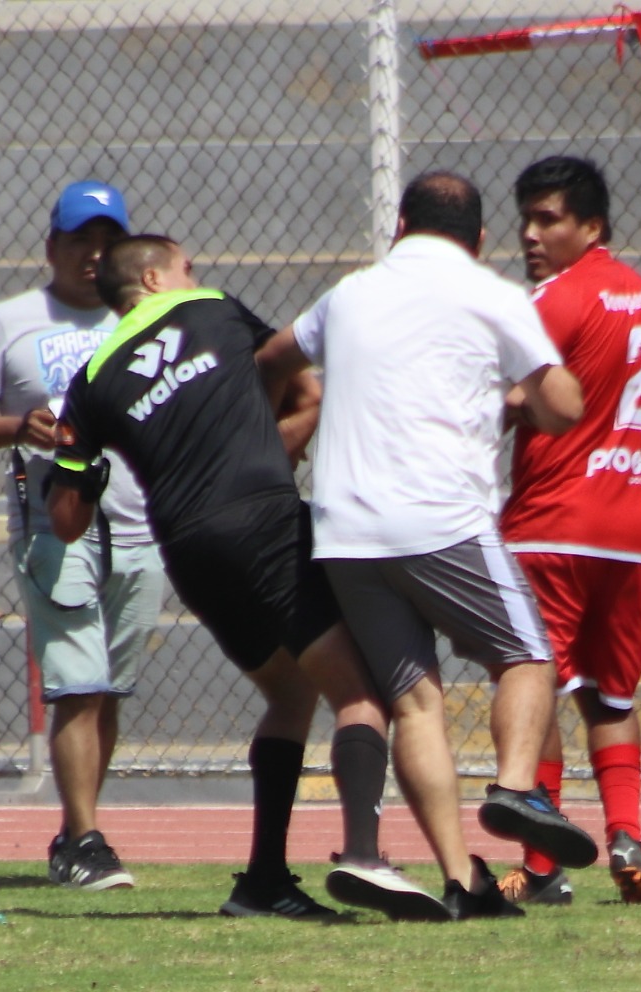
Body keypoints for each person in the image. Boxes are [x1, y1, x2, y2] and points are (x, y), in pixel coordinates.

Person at [44, 234, 449, 922]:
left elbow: (66, 521)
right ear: (153, 277)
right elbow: (304, 389)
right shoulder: (211, 310)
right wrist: (265, 448)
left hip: (189, 551)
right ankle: (363, 856)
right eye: (185, 266)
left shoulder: (89, 383)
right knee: (364, 691)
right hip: (262, 524)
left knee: (290, 693)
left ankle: (262, 883)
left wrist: (91, 462)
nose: (196, 273)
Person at [257, 171, 597, 919]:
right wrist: (526, 395)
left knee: (415, 702)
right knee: (526, 657)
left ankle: (457, 878)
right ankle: (513, 789)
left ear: (400, 225)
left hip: (344, 530)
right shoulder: (495, 295)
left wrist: (276, 435)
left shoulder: (348, 294)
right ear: (478, 238)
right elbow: (565, 406)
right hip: (440, 519)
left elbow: (274, 358)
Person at [0, 181, 165, 891]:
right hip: (54, 524)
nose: (94, 255)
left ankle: (74, 834)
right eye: (79, 241)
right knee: (78, 683)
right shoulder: (8, 323)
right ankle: (88, 838)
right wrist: (18, 425)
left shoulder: (148, 319)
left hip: (139, 523)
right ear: (52, 248)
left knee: (109, 690)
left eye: (107, 241)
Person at [495, 157, 641, 905]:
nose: (532, 235)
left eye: (549, 220)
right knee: (610, 694)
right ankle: (627, 837)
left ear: (592, 226)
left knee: (531, 685)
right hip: (629, 529)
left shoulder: (552, 299)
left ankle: (541, 871)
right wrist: (624, 468)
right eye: (528, 220)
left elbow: (517, 395)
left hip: (552, 526)